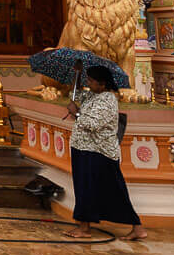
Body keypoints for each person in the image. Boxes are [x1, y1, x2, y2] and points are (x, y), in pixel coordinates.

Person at [63, 66, 146, 240]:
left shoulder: (107, 100)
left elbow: (93, 124)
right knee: (87, 188)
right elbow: (77, 97)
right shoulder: (93, 96)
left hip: (98, 152)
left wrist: (76, 112)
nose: (88, 83)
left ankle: (134, 227)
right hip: (85, 149)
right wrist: (75, 83)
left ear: (102, 84)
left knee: (109, 189)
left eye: (91, 81)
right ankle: (84, 225)